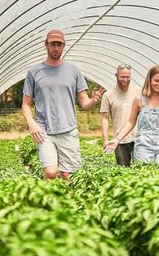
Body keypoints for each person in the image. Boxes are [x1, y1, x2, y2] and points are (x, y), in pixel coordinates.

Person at [22, 29, 105, 181]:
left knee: (68, 175)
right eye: (53, 44)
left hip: (68, 129)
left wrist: (94, 100)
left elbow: (84, 103)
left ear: (64, 46)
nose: (56, 48)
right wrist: (31, 124)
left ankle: (66, 203)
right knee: (51, 172)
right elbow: (26, 104)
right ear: (46, 45)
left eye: (59, 45)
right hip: (44, 130)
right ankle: (50, 202)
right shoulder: (33, 72)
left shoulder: (74, 71)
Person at [113, 65, 159, 170]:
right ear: (149, 80)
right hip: (143, 145)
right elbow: (131, 123)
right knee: (144, 174)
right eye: (156, 80)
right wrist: (117, 139)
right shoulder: (139, 100)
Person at [100, 64, 137, 166]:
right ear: (116, 75)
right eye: (122, 77)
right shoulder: (108, 95)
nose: (125, 79)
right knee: (124, 170)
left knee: (141, 169)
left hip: (138, 138)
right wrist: (105, 138)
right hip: (119, 140)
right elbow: (105, 118)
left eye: (128, 77)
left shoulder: (138, 91)